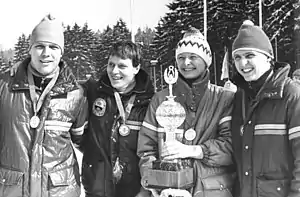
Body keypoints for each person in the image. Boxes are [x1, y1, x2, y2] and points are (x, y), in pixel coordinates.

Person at [137, 27, 236, 197]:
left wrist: (196, 151)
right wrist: (152, 179)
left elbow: (232, 147)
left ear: (206, 61)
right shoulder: (161, 99)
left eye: (193, 57)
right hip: (170, 191)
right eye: (181, 58)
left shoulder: (224, 98)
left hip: (213, 191)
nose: (186, 63)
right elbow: (146, 149)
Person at [0, 14, 88, 197]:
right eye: (40, 46)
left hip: (59, 190)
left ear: (61, 52)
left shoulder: (76, 93)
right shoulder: (4, 87)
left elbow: (87, 143)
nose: (46, 53)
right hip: (12, 189)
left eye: (53, 47)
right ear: (30, 50)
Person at [231, 20, 300, 197]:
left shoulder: (291, 95)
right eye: (237, 57)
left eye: (249, 55)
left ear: (268, 57)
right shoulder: (241, 97)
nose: (242, 63)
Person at [80, 41, 154, 197]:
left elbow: (154, 150)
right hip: (98, 189)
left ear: (136, 68)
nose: (114, 71)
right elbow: (64, 88)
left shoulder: (149, 102)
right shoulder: (93, 93)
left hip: (136, 191)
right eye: (111, 65)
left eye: (122, 66)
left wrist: (146, 189)